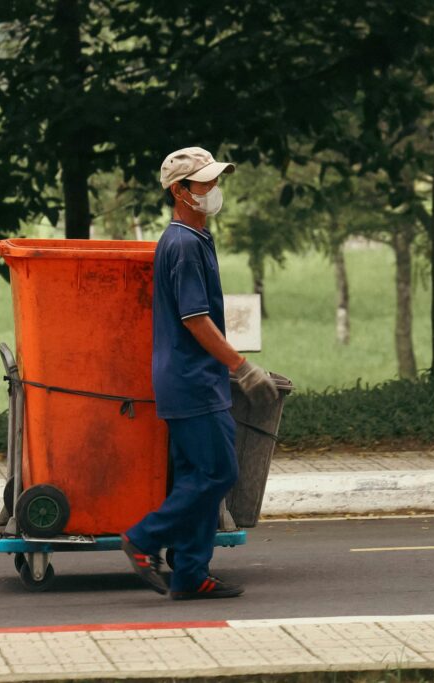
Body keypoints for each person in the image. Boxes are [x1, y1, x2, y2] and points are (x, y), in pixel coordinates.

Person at [121, 147, 279, 600]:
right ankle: (144, 537)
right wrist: (241, 365)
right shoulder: (185, 245)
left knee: (198, 475)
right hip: (192, 380)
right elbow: (195, 319)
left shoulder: (190, 238)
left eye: (214, 181)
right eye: (205, 183)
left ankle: (191, 573)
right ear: (180, 191)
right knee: (219, 473)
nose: (213, 191)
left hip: (189, 378)